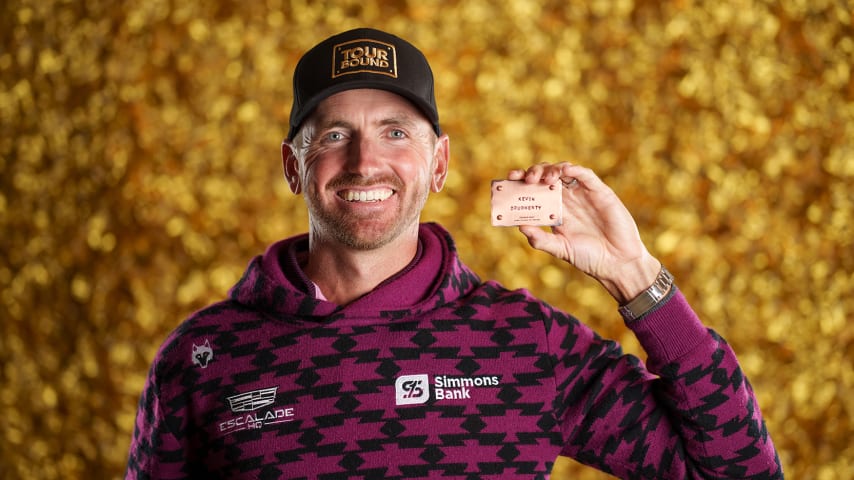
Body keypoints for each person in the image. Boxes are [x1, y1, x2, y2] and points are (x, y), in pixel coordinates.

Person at [125, 28, 783, 479]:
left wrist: (636, 275)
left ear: (439, 163)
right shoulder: (200, 358)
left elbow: (739, 471)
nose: (365, 162)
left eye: (394, 132)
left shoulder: (528, 343)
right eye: (333, 134)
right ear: (293, 166)